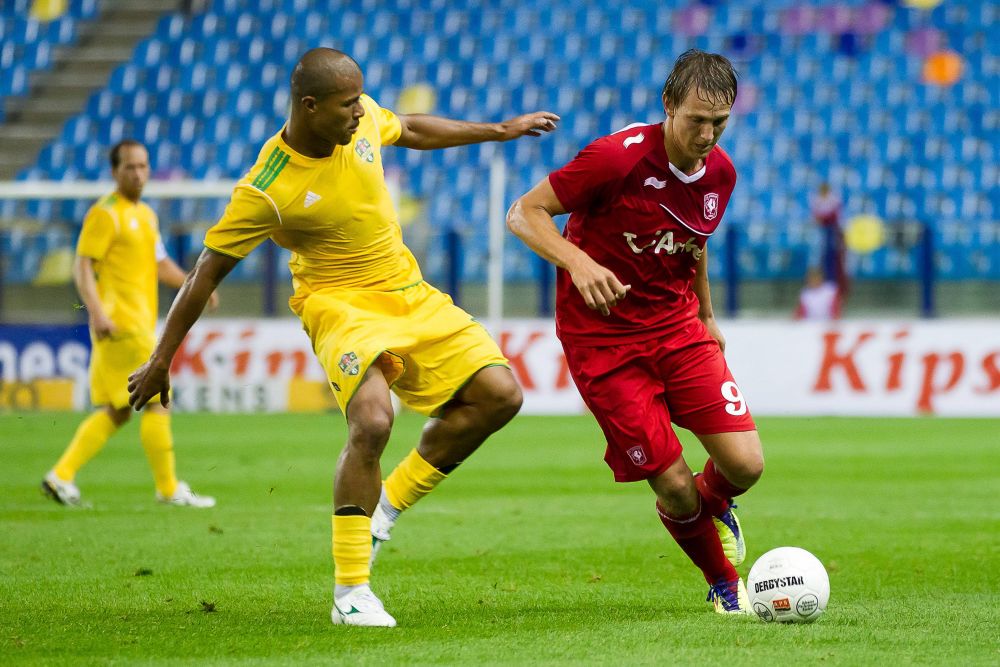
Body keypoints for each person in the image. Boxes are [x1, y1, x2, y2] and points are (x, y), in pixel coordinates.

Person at [127, 48, 559, 628]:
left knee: (500, 395)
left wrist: (499, 130)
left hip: (407, 289)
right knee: (374, 421)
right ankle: (351, 590)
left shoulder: (361, 121)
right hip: (338, 304)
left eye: (360, 99)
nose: (360, 112)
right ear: (309, 106)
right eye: (347, 104)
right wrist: (161, 358)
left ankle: (386, 507)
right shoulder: (266, 188)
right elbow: (206, 270)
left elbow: (410, 128)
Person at [507, 49, 763, 615]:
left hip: (677, 327)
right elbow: (523, 213)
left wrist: (708, 315)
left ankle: (715, 501)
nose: (707, 134)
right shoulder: (614, 160)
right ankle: (723, 584)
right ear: (668, 105)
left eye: (719, 123)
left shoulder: (722, 173)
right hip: (605, 345)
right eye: (696, 119)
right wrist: (577, 262)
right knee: (672, 484)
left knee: (746, 465)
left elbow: (693, 243)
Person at [42, 139, 218, 509]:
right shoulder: (105, 214)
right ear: (114, 172)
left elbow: (159, 264)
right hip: (121, 324)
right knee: (157, 401)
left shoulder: (146, 215)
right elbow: (82, 265)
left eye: (143, 166)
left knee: (119, 410)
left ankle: (61, 475)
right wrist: (96, 311)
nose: (138, 173)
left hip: (136, 322)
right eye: (129, 167)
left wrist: (193, 283)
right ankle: (169, 488)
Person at [810, 181, 850, 296]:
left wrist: (823, 219)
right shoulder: (817, 200)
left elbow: (834, 217)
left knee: (834, 260)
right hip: (823, 234)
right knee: (823, 259)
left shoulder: (834, 200)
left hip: (833, 233)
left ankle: (834, 285)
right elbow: (816, 218)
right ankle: (824, 283)